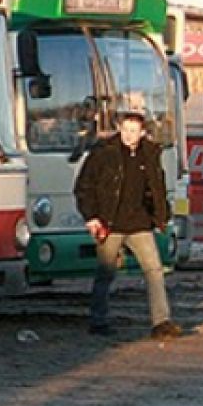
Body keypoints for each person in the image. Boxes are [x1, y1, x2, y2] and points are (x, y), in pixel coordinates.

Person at [74, 109, 181, 339]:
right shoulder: (103, 153)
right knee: (105, 273)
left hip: (140, 224)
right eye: (125, 130)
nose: (129, 135)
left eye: (134, 131)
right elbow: (84, 186)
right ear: (119, 129)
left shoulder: (151, 154)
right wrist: (92, 218)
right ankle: (98, 321)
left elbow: (157, 188)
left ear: (142, 133)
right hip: (109, 223)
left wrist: (162, 216)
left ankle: (161, 322)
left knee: (154, 270)